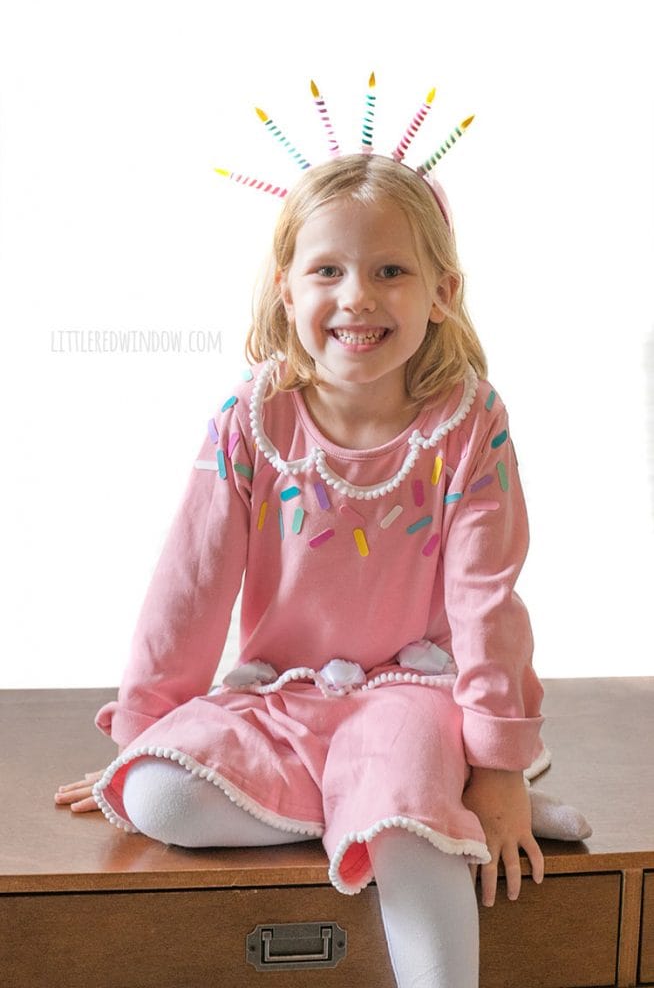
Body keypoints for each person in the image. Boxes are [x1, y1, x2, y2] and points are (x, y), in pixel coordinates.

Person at [56, 151, 589, 988]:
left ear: (442, 292)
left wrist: (499, 771)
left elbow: (488, 602)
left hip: (415, 695)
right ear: (286, 288)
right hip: (283, 696)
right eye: (328, 270)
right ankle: (388, 800)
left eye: (390, 270)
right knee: (157, 795)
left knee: (407, 818)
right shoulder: (252, 416)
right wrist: (144, 728)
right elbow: (188, 585)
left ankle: (422, 802)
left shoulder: (468, 421)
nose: (357, 297)